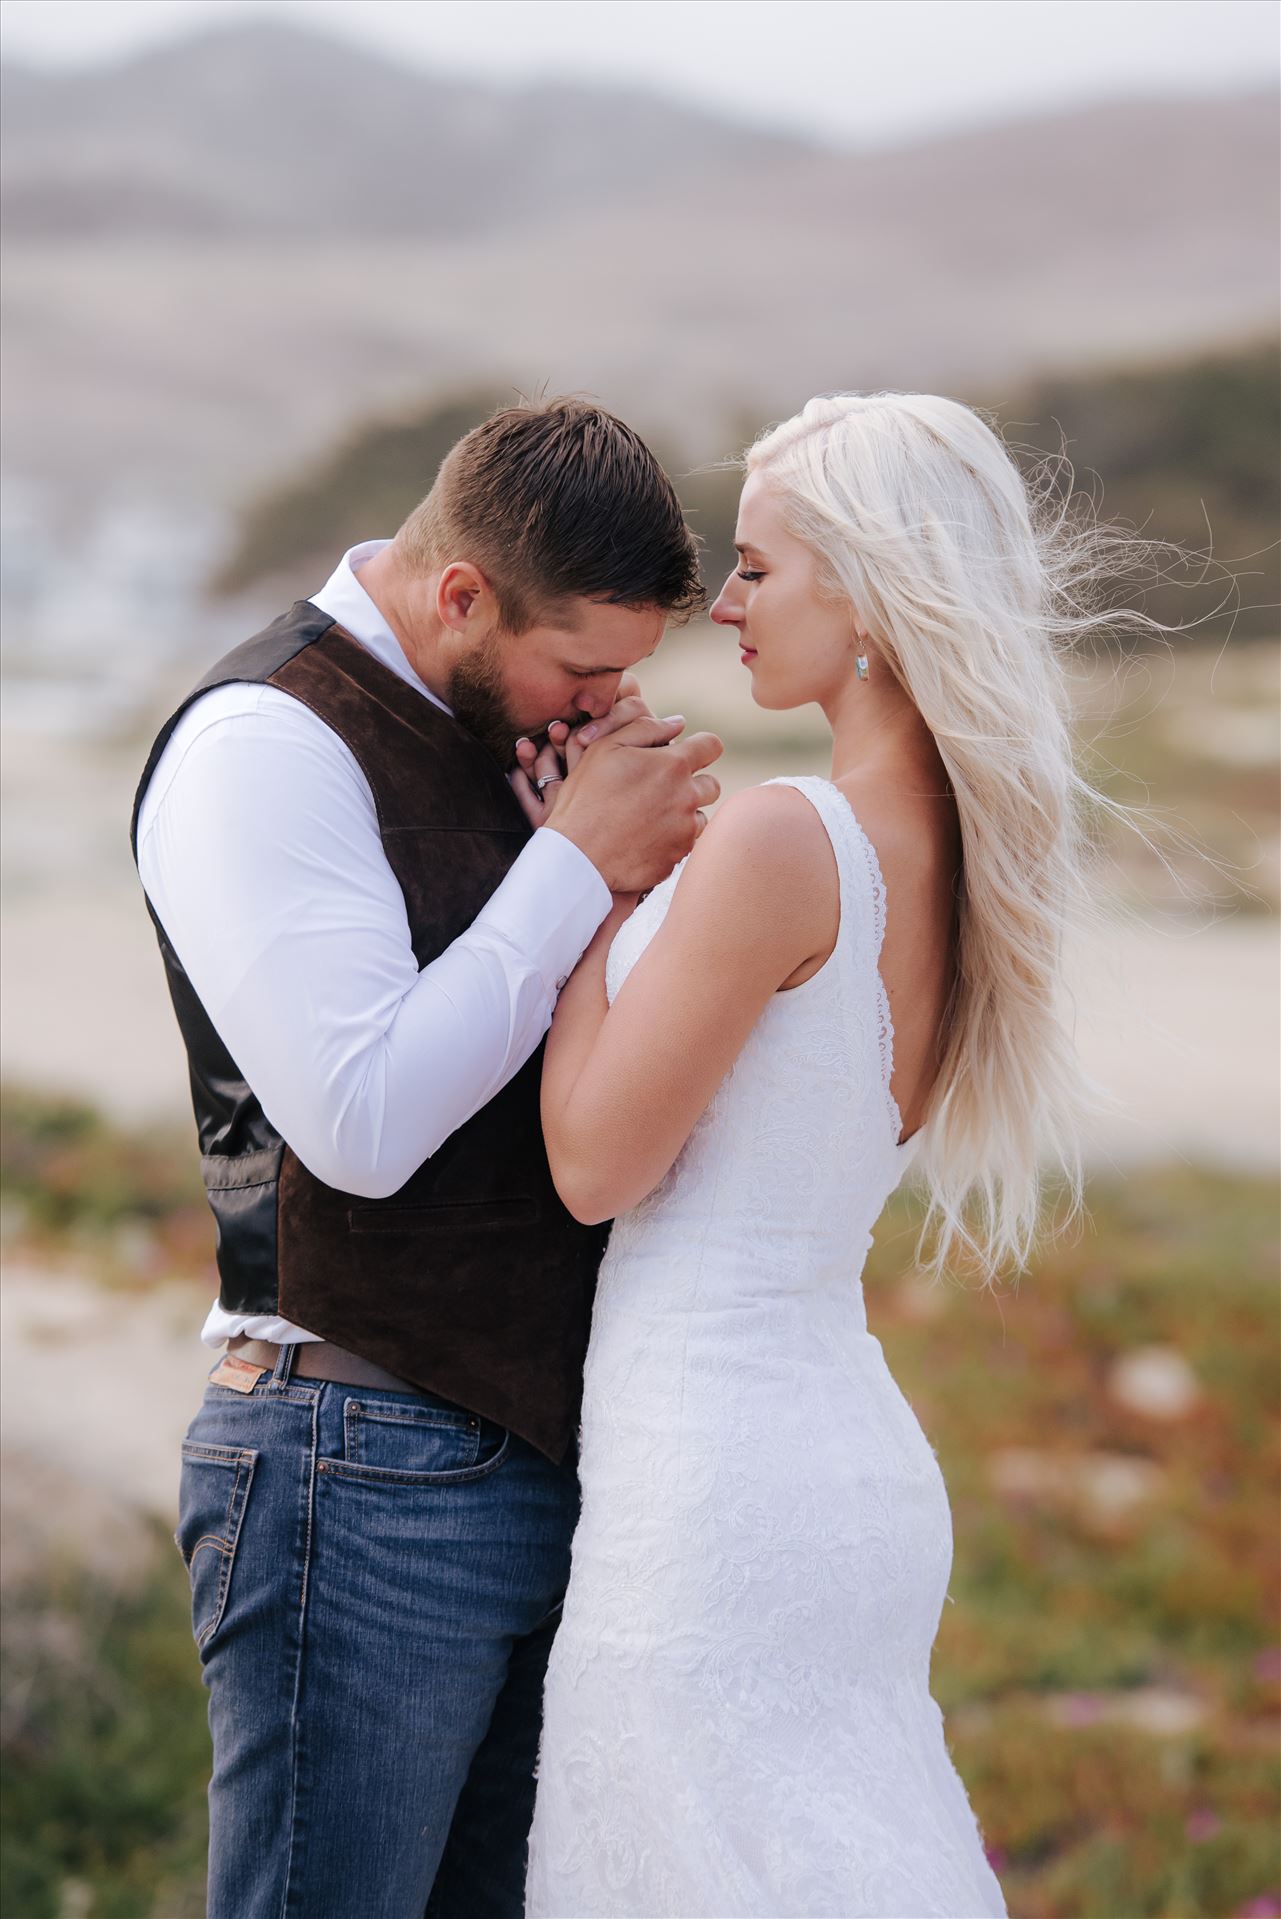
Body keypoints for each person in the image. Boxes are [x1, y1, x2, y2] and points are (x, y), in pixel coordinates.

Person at [129, 398, 722, 1919]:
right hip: (359, 1466)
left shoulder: (511, 742)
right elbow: (363, 1124)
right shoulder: (263, 740)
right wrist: (577, 857)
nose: (600, 700)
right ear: (460, 593)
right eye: (580, 665)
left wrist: (608, 883)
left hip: (548, 1456)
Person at [520, 392, 1110, 1917]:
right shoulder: (969, 868)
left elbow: (594, 1168)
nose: (720, 603)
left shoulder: (787, 840)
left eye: (757, 567)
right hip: (840, 1463)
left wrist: (582, 882)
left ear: (868, 590)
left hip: (710, 1475)